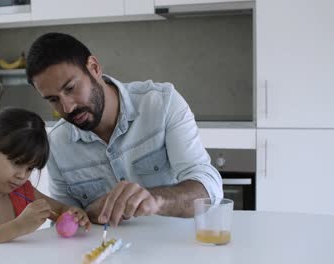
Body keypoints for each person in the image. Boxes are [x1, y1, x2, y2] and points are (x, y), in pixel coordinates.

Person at [26, 32, 223, 227]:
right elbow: (67, 224)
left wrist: (157, 201)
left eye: (70, 88)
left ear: (94, 68)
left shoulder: (162, 104)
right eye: (53, 100)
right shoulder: (57, 144)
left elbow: (209, 188)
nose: (67, 107)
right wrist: (87, 214)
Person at [0, 108, 91, 262]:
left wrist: (74, 214)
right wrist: (17, 227)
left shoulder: (24, 191)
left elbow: (60, 210)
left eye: (30, 168)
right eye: (16, 163)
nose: (22, 176)